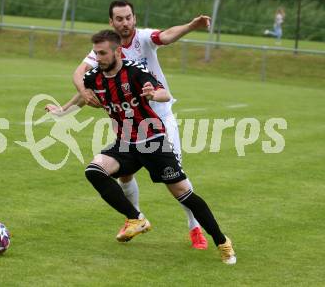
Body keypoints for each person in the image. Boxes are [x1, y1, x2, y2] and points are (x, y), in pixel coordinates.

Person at [47, 0, 211, 249]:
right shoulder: (106, 50)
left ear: (134, 18)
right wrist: (68, 107)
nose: (125, 23)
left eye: (128, 17)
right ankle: (135, 219)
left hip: (160, 120)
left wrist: (191, 25)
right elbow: (80, 75)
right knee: (124, 175)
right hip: (129, 125)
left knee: (176, 179)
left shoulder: (143, 38)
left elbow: (165, 36)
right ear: (111, 22)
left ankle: (194, 226)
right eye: (119, 19)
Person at [82, 29, 236, 264]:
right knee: (94, 170)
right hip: (125, 144)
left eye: (102, 53)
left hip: (152, 142)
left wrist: (154, 95)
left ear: (117, 51)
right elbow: (85, 94)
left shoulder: (135, 71)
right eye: (96, 53)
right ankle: (136, 218)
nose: (98, 57)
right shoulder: (94, 76)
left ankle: (222, 241)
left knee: (184, 195)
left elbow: (164, 92)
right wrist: (64, 109)